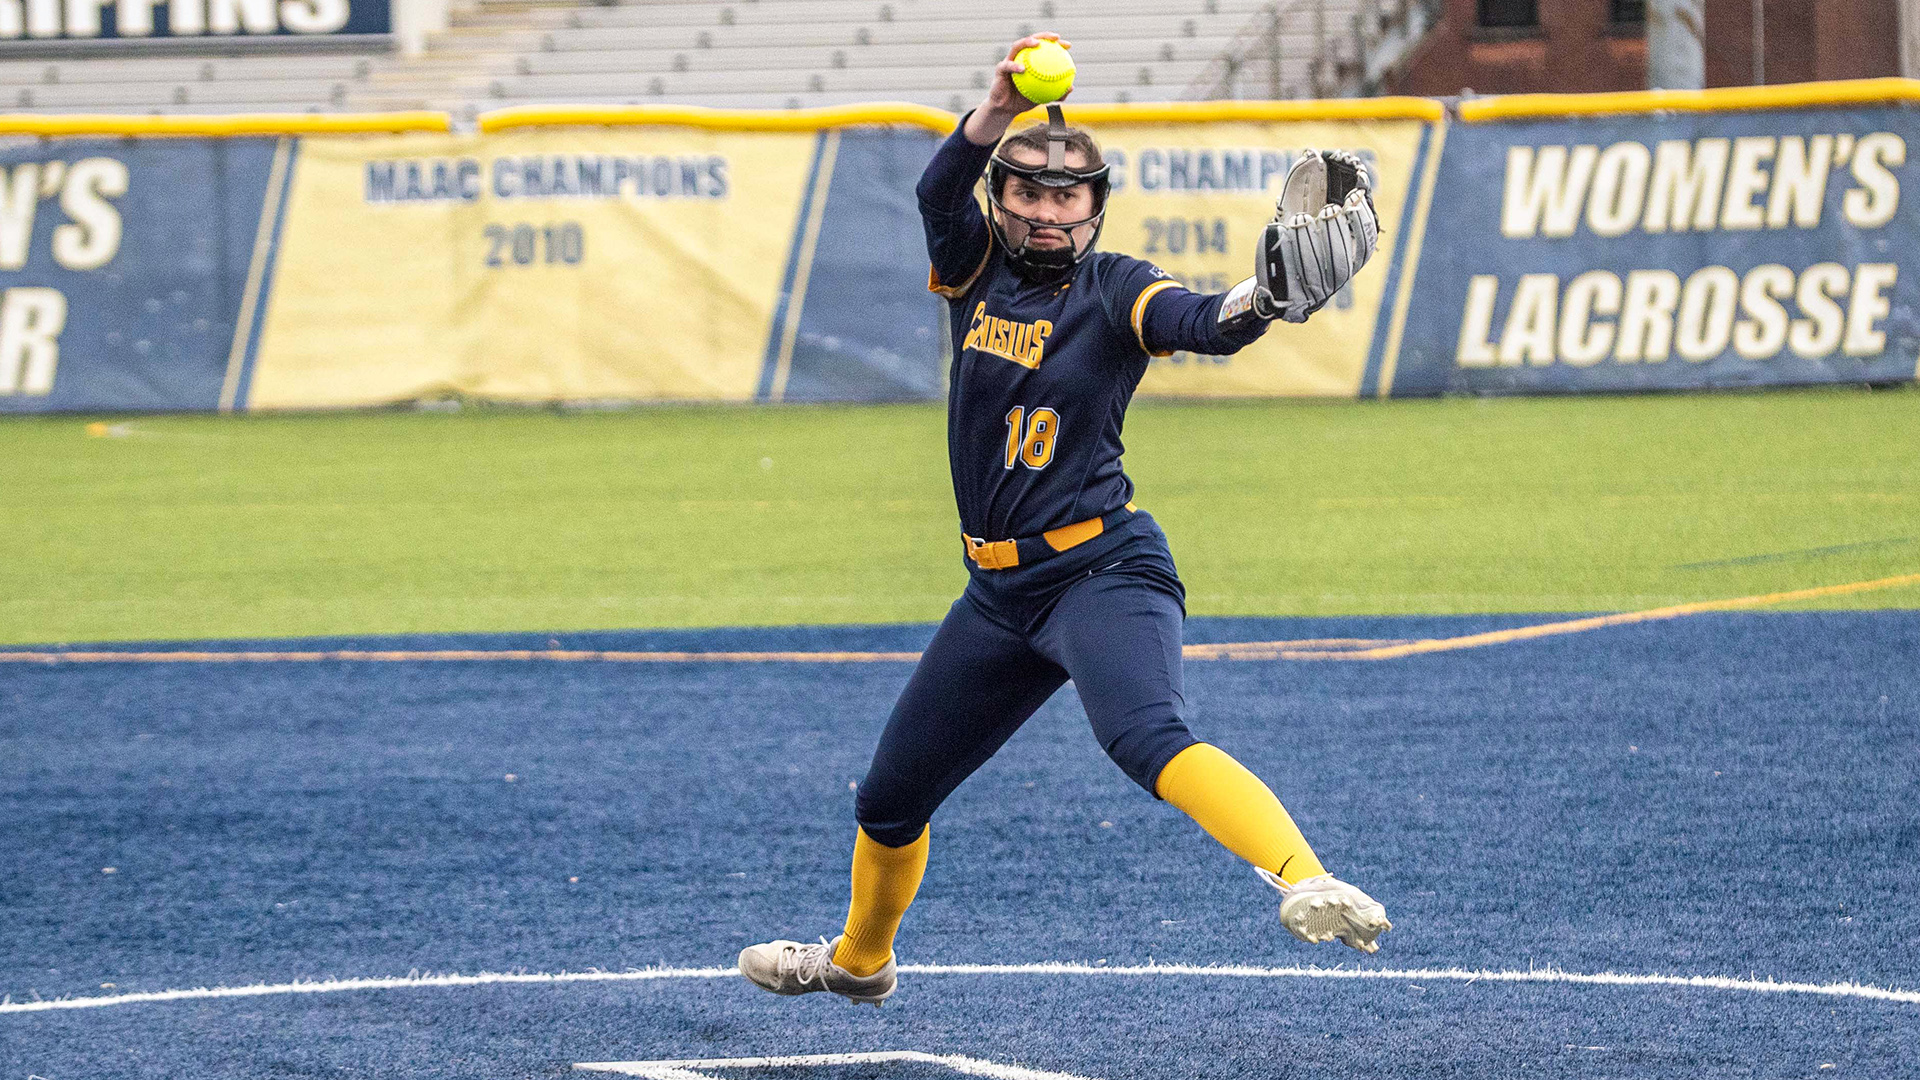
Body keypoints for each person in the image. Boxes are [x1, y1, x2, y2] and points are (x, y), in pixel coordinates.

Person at [739, 34, 1389, 1006]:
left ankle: (1309, 879)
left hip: (1101, 573)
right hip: (999, 593)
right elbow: (934, 193)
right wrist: (996, 106)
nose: (1049, 208)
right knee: (889, 799)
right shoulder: (973, 269)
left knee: (1148, 738)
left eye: (1068, 195)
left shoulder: (1115, 286)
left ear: (1095, 205)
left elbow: (1205, 322)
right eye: (1031, 193)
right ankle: (861, 963)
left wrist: (1268, 296)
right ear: (1004, 197)